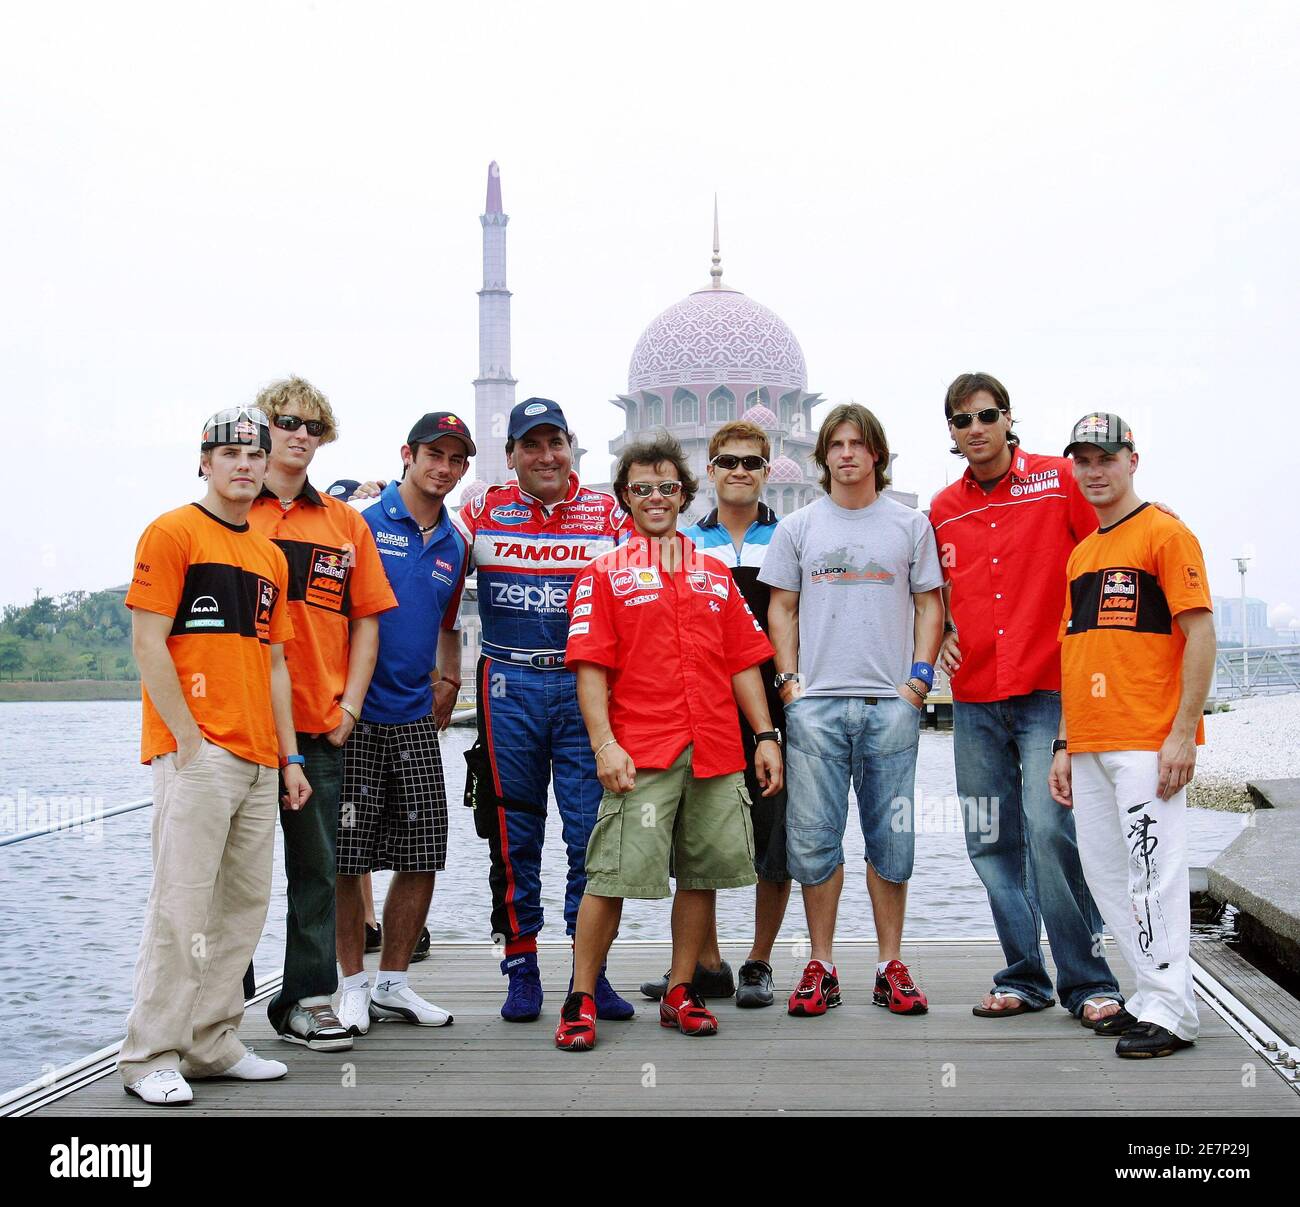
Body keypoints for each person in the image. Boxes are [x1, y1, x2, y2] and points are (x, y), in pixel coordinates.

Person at [555, 434, 783, 1051]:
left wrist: (764, 735)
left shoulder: (714, 573)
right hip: (642, 751)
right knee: (610, 875)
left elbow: (743, 661)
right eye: (641, 488)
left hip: (714, 748)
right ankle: (580, 995)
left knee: (701, 875)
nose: (655, 497)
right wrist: (604, 745)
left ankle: (681, 988)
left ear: (684, 493)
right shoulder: (603, 574)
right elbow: (590, 670)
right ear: (624, 497)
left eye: (666, 486)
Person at [119, 406, 309, 1105]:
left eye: (253, 455)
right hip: (197, 753)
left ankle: (211, 1039)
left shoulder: (266, 553)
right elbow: (148, 643)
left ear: (266, 466)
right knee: (181, 906)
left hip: (262, 757)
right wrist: (188, 739)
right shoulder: (173, 532)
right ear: (204, 460)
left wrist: (290, 758)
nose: (242, 464)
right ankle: (150, 1055)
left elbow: (278, 664)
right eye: (227, 453)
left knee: (242, 905)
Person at [928, 373, 1122, 1024]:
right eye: (962, 420)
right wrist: (940, 633)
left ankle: (1089, 981)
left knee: (1048, 830)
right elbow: (927, 590)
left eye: (986, 415)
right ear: (951, 433)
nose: (976, 428)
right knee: (990, 839)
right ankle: (1024, 975)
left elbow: (1106, 540)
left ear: (1008, 418)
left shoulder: (1056, 480)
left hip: (1048, 687)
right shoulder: (941, 508)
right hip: (975, 695)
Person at [762, 404, 944, 1017]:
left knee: (891, 841)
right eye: (836, 444)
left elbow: (929, 606)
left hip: (889, 706)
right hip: (816, 708)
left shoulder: (910, 526)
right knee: (814, 843)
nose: (846, 454)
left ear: (877, 455)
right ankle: (822, 963)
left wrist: (917, 683)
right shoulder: (799, 528)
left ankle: (891, 964)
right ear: (823, 457)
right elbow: (780, 608)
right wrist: (790, 686)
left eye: (858, 444)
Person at [458, 398, 634, 1022]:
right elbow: (429, 555)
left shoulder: (609, 512)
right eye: (529, 446)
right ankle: (522, 963)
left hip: (583, 686)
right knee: (514, 832)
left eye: (554, 442)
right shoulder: (482, 507)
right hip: (507, 680)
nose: (545, 457)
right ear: (510, 457)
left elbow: (649, 587)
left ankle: (591, 972)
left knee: (591, 832)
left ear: (572, 446)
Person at [1050, 412, 1215, 1059]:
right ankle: (1148, 993)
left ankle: (1176, 1008)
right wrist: (1064, 742)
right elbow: (1075, 652)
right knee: (1108, 873)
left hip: (1148, 740)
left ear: (1132, 460)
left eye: (1106, 458)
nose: (1094, 471)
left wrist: (1182, 735)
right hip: (1090, 742)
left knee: (1155, 871)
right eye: (1083, 460)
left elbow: (1199, 633)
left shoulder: (1166, 535)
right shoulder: (1083, 553)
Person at [248, 377, 397, 1051]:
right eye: (288, 422)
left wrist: (351, 706)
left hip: (320, 724)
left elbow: (367, 622)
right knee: (231, 875)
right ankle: (214, 1009)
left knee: (318, 867)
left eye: (315, 426)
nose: (301, 434)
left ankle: (305, 999)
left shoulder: (344, 523)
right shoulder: (228, 511)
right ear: (261, 428)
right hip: (239, 728)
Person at [637, 419, 791, 1008]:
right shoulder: (683, 542)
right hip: (694, 707)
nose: (739, 471)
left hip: (771, 704)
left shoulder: (791, 536)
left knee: (772, 836)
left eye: (751, 462)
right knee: (694, 838)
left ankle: (759, 960)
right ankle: (706, 962)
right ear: (709, 470)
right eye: (727, 461)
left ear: (767, 470)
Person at [335, 412, 473, 1035]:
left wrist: (451, 678)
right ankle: (351, 986)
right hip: (355, 715)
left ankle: (393, 982)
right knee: (350, 854)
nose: (444, 469)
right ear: (407, 455)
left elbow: (446, 623)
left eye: (456, 459)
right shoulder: (357, 522)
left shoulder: (455, 542)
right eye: (433, 455)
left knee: (422, 853)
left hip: (416, 716)